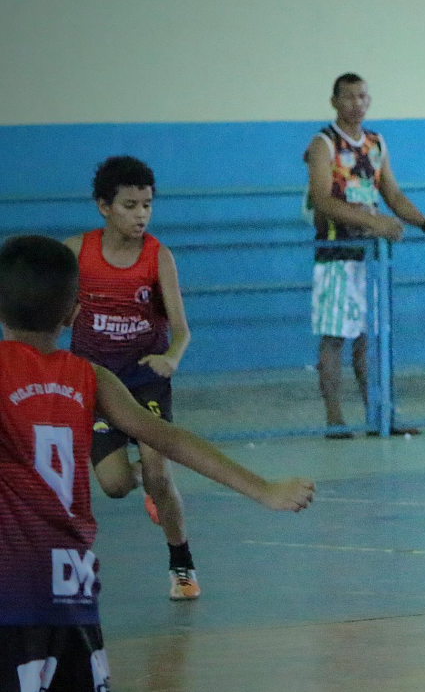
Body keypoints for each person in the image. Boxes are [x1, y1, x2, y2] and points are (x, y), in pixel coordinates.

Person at [0, 235, 315, 691]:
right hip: (71, 587)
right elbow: (170, 438)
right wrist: (262, 489)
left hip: (12, 586)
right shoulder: (91, 377)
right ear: (73, 314)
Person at [64, 156, 202, 600]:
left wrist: (172, 358)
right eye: (129, 205)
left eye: (147, 205)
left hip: (145, 380)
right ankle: (143, 481)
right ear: (103, 207)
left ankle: (181, 565)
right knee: (116, 485)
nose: (141, 214)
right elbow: (49, 311)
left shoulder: (158, 257)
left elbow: (181, 330)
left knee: (159, 471)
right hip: (99, 383)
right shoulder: (75, 253)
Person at [304, 73, 425, 437]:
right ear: (334, 101)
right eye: (349, 97)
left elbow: (393, 195)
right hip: (337, 252)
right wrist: (372, 221)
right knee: (334, 337)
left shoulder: (376, 143)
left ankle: (379, 415)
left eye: (363, 96)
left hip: (372, 257)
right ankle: (335, 418)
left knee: (368, 338)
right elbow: (321, 198)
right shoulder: (323, 144)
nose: (357, 103)